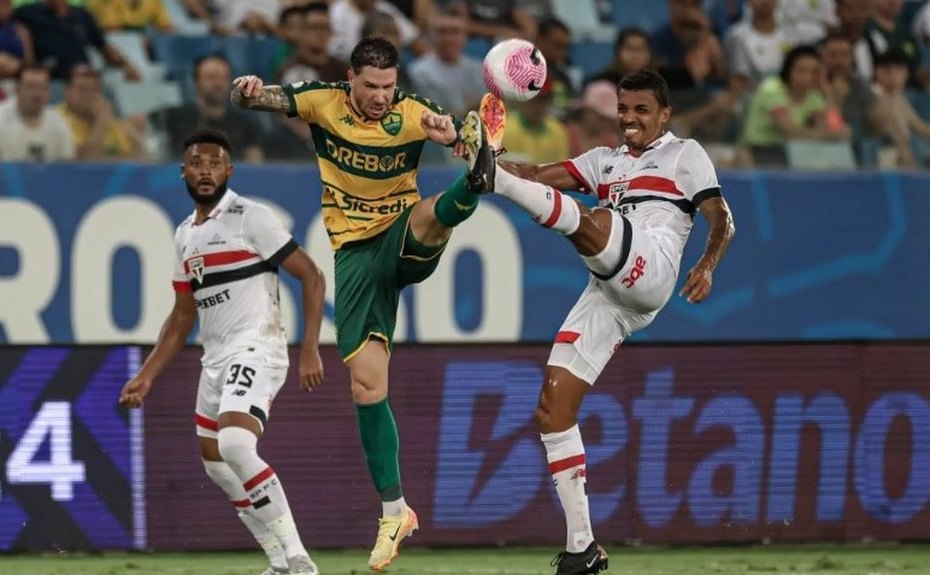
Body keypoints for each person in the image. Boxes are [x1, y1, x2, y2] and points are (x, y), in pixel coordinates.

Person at [229, 36, 494, 571]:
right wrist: (246, 91)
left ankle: (471, 190)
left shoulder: (416, 112)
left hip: (402, 236)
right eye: (371, 87)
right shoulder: (321, 100)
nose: (380, 97)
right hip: (354, 255)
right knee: (367, 387)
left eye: (388, 87)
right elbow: (261, 101)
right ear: (350, 79)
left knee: (429, 215)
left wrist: (460, 143)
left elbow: (457, 134)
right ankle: (395, 512)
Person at [483, 69, 735, 574]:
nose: (629, 119)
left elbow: (721, 217)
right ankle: (583, 549)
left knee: (594, 223)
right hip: (610, 291)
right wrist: (486, 155)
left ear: (664, 113)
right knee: (553, 408)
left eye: (641, 110)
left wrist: (706, 265)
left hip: (654, 268)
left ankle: (492, 183)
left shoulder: (686, 154)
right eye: (623, 109)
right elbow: (538, 175)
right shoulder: (604, 161)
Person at [118, 128, 326, 575]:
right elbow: (180, 316)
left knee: (234, 443)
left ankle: (299, 558)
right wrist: (147, 375)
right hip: (214, 359)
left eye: (215, 163)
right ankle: (278, 563)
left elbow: (311, 275)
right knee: (215, 463)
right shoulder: (184, 236)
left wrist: (311, 347)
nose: (206, 170)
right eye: (197, 163)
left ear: (229, 170)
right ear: (184, 172)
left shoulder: (252, 217)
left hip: (257, 346)